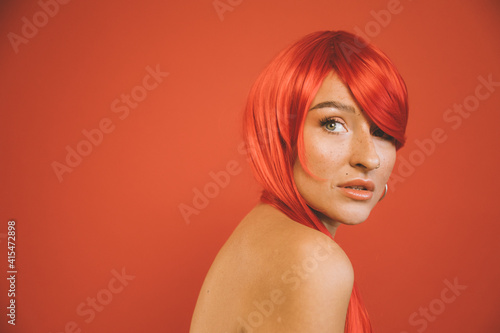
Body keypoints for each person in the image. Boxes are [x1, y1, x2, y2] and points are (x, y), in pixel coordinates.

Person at [190, 30, 408, 333]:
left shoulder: (259, 234)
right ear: (281, 134)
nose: (369, 158)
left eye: (382, 132)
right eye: (333, 124)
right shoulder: (314, 263)